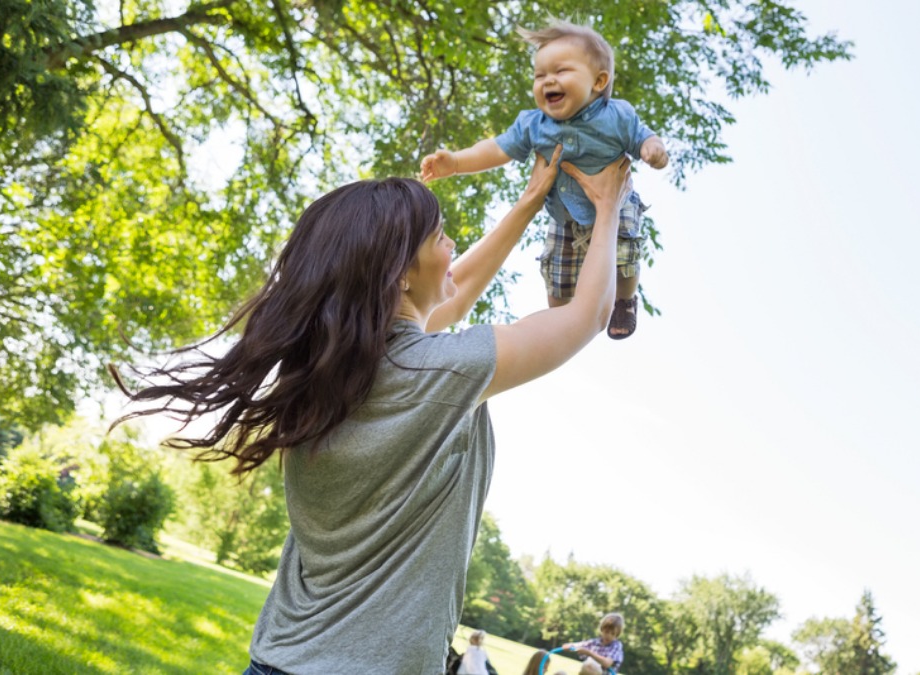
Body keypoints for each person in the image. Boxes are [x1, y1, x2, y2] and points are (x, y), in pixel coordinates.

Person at [111, 147, 635, 674]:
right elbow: (589, 314)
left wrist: (527, 204)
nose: (452, 245)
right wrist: (609, 206)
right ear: (399, 274)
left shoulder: (326, 374)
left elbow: (451, 295)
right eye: (439, 237)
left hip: (275, 660)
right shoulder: (442, 372)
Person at [420, 20, 668, 340]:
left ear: (599, 81)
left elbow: (643, 136)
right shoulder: (533, 124)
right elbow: (496, 149)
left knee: (626, 258)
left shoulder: (617, 115)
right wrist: (456, 162)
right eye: (540, 75)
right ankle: (565, 318)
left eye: (561, 71)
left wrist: (653, 148)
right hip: (563, 217)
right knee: (556, 282)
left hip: (617, 206)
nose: (548, 80)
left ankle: (625, 300)